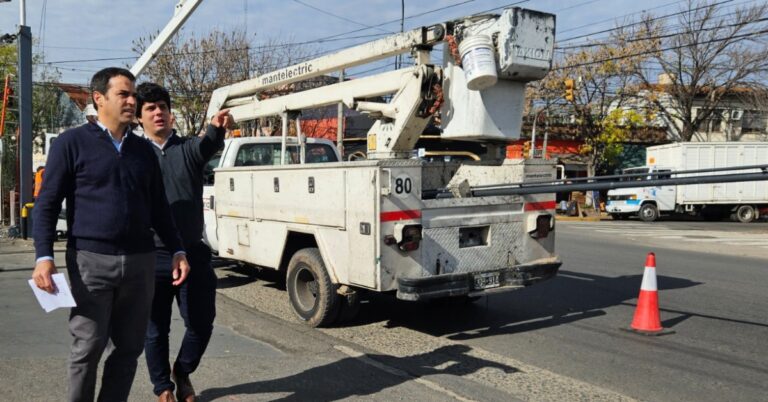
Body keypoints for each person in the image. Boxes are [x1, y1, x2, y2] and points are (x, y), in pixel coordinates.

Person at [31, 67, 190, 402]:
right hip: (90, 262)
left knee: (129, 348)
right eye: (124, 94)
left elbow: (159, 208)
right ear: (99, 98)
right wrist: (43, 257)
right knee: (88, 345)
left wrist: (177, 248)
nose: (132, 101)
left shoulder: (143, 151)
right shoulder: (70, 144)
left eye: (133, 95)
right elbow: (46, 204)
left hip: (140, 263)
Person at [136, 82, 231, 402]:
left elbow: (207, 145)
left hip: (192, 252)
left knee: (201, 323)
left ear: (170, 113)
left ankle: (183, 370)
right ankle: (163, 387)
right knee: (155, 328)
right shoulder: (134, 155)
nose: (158, 112)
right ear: (139, 118)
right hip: (151, 256)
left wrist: (216, 129)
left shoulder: (187, 149)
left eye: (162, 106)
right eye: (150, 108)